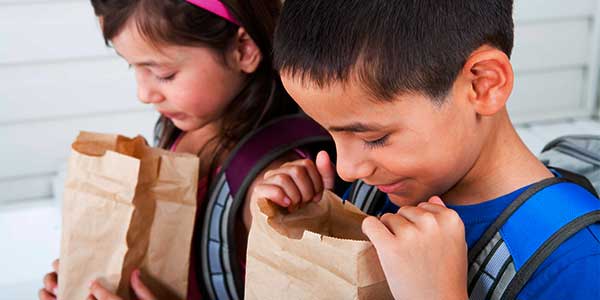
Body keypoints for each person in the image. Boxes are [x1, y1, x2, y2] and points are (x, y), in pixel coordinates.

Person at [253, 0, 600, 299]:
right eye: (327, 131)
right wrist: (321, 223)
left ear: (483, 84)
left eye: (374, 138)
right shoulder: (369, 189)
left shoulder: (577, 264)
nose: (346, 169)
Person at [38, 0, 334, 299]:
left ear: (243, 49)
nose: (144, 94)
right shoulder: (182, 132)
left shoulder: (272, 184)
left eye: (164, 74)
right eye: (133, 66)